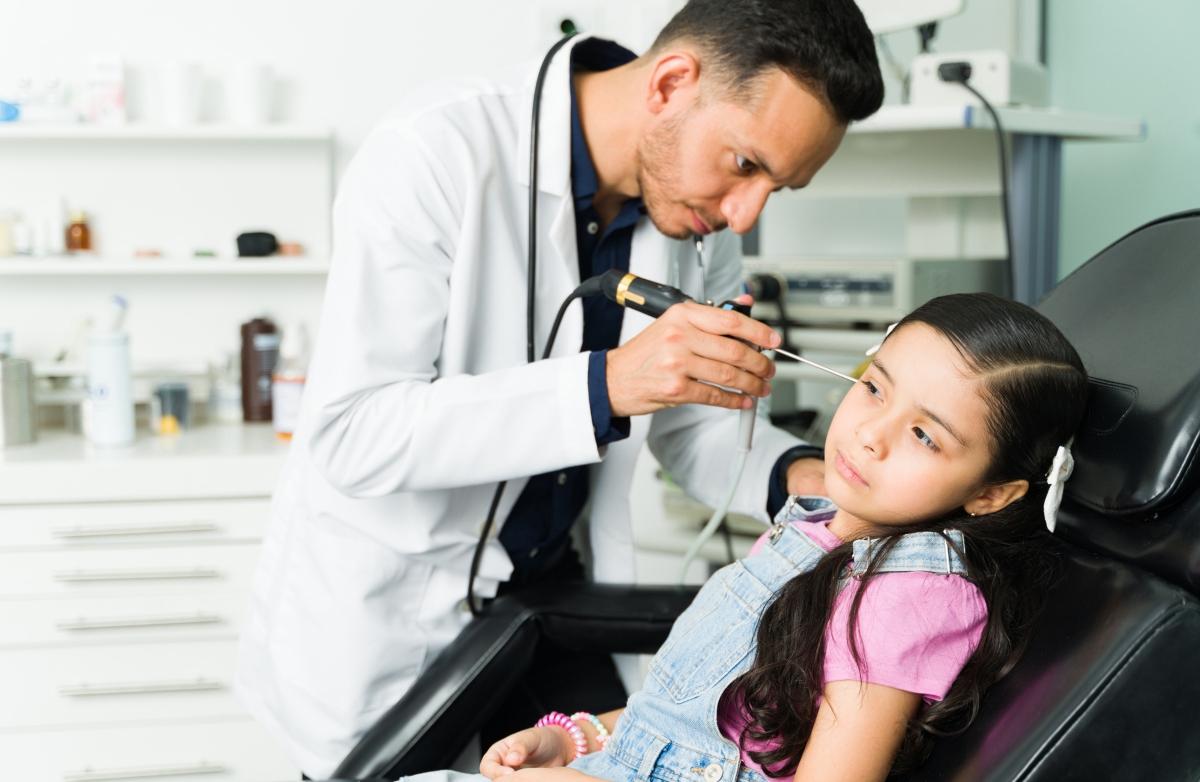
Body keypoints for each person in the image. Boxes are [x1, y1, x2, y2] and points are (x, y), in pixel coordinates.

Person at [235, 0, 885, 776]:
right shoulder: (437, 151)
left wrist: (812, 484)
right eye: (745, 165)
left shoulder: (696, 221)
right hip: (390, 626)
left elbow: (693, 431)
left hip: (547, 610)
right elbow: (353, 433)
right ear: (671, 83)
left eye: (777, 188)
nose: (743, 212)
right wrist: (606, 384)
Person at [397, 292, 1089, 782]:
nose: (870, 435)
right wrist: (571, 738)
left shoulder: (904, 596)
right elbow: (688, 717)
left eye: (922, 435)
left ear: (992, 494)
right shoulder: (815, 531)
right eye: (874, 389)